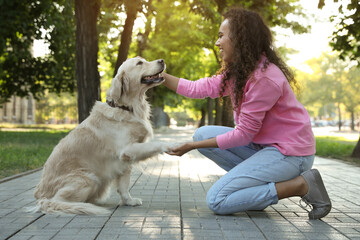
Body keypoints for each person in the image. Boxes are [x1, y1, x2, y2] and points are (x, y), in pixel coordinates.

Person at [162, 7, 331, 219]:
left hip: (290, 154)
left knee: (217, 200)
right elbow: (196, 88)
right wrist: (157, 75)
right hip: (265, 147)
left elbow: (243, 135)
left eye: (222, 36)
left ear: (240, 39)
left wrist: (191, 147)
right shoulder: (240, 72)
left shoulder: (264, 79)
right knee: (201, 134)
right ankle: (254, 193)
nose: (217, 42)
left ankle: (300, 185)